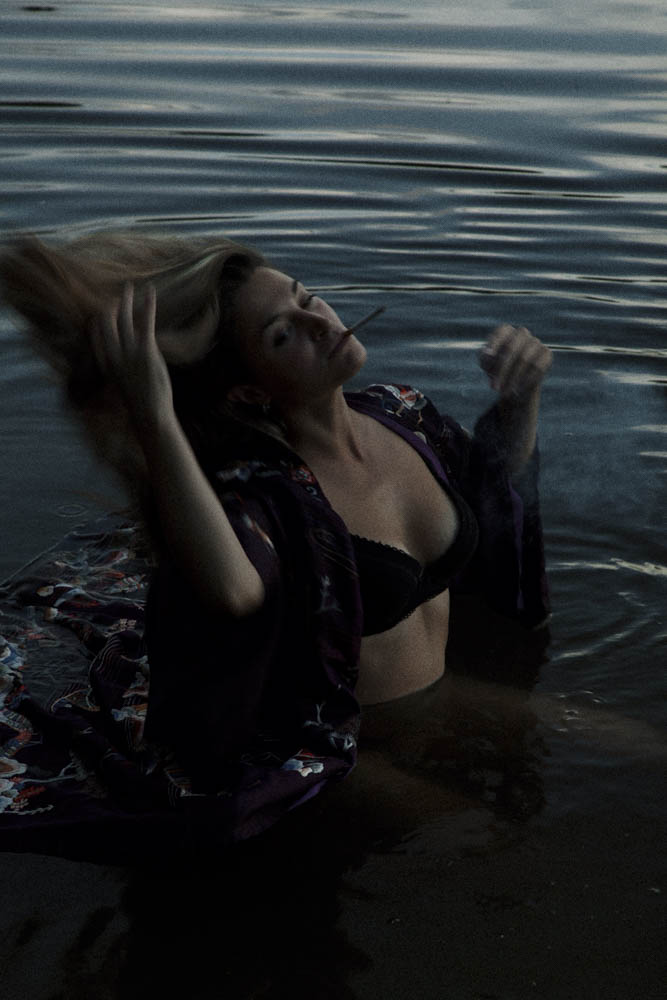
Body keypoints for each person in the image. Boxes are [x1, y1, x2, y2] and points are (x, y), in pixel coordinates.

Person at [0, 232, 551, 850]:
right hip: (339, 750)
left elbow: (493, 500)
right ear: (250, 391)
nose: (317, 321)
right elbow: (235, 591)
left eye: (306, 298)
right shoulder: (264, 492)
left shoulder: (404, 413)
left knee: (624, 744)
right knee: (494, 840)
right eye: (283, 334)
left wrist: (521, 400)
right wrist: (155, 413)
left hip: (439, 693)